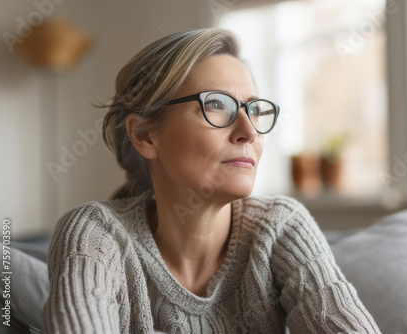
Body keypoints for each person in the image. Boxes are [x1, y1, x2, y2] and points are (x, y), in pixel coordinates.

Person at [41, 28, 382, 334]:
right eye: (217, 105)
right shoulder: (95, 234)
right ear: (145, 135)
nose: (249, 131)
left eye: (254, 110)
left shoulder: (280, 228)